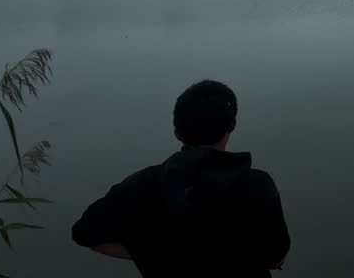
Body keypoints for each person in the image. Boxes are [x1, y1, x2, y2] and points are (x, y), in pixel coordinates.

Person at [72, 80, 291, 277]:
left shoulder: (142, 184)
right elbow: (275, 257)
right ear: (232, 124)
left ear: (177, 132)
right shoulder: (257, 185)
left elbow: (85, 234)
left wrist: (147, 252)